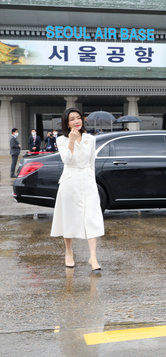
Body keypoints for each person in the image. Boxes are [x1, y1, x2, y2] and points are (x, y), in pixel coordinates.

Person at [50, 108, 104, 272]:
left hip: (87, 182)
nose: (76, 121)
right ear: (67, 123)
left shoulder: (90, 138)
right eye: (72, 119)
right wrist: (72, 141)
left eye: (78, 118)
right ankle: (68, 251)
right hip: (70, 182)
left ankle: (93, 257)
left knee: (92, 217)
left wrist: (92, 181)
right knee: (69, 218)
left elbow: (91, 163)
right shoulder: (61, 140)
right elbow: (67, 160)